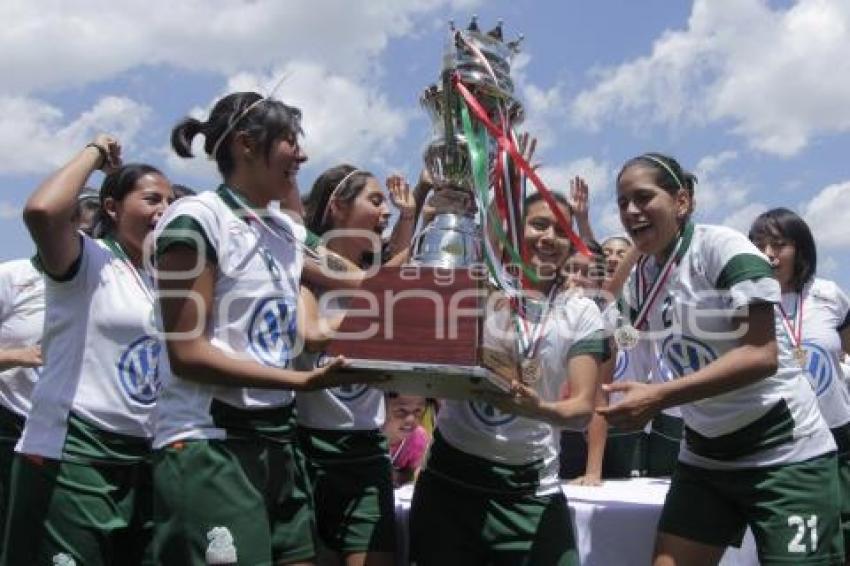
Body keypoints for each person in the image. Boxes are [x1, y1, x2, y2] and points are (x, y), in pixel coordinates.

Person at [598, 153, 843, 565]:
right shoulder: (643, 277)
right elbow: (609, 337)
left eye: (643, 197)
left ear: (682, 201)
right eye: (622, 203)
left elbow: (760, 357)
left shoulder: (724, 249)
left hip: (785, 456)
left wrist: (659, 397)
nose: (631, 211)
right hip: (705, 458)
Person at [152, 91, 360, 566]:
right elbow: (188, 355)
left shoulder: (284, 230)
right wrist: (302, 381)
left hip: (277, 443)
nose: (302, 155)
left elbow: (361, 277)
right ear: (246, 144)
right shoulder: (197, 219)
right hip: (212, 443)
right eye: (289, 141)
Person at [409, 191, 605, 565]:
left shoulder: (582, 313)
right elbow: (422, 284)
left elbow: (582, 409)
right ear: (515, 231)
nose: (548, 237)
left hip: (530, 491)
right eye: (538, 224)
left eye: (561, 230)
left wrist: (540, 408)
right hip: (450, 484)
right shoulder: (479, 289)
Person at [3, 135, 173, 565]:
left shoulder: (165, 279)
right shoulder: (86, 260)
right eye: (151, 199)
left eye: (170, 202)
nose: (163, 211)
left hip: (143, 455)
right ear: (112, 209)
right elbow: (42, 211)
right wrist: (96, 151)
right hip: (75, 455)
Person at [296, 163, 417, 566]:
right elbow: (312, 335)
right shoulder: (305, 271)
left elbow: (394, 275)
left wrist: (418, 213)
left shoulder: (374, 279)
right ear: (338, 207)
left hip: (366, 450)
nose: (386, 211)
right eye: (376, 200)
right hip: (307, 447)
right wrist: (374, 308)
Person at [749, 207, 850, 561]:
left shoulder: (828, 294)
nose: (768, 254)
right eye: (759, 244)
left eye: (779, 244)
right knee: (808, 537)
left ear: (800, 249)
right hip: (787, 440)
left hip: (838, 430)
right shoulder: (747, 303)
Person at [382, 392, 429, 488]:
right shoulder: (368, 433)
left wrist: (398, 477)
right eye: (401, 411)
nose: (411, 419)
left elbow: (411, 474)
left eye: (418, 411)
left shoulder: (418, 438)